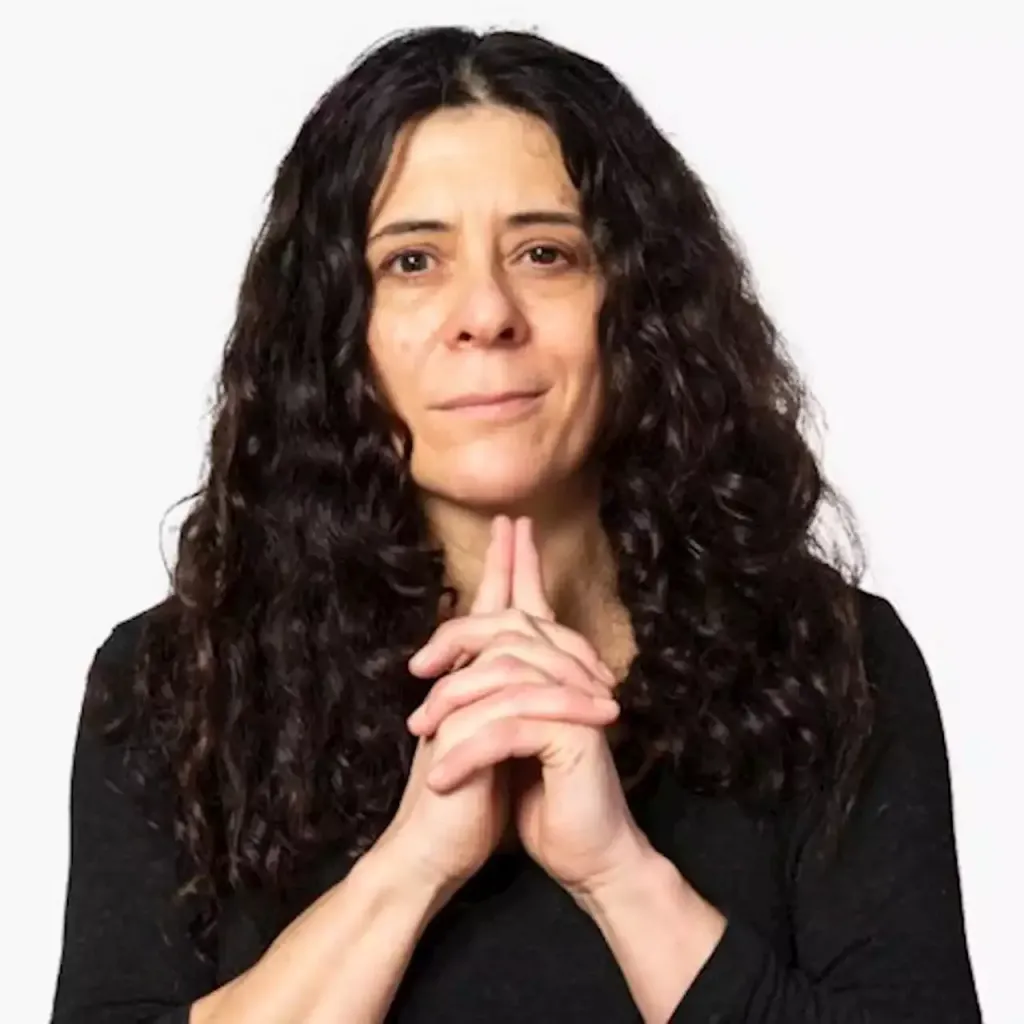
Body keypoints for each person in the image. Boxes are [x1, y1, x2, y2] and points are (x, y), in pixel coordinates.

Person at [51, 25, 982, 1024]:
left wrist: (616, 872)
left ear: (636, 305)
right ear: (335, 334)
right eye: (413, 260)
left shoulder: (832, 663)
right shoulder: (176, 686)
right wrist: (412, 866)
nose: (486, 313)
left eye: (545, 253)